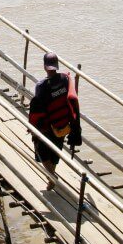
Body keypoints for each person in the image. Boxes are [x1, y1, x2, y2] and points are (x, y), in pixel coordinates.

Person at [29, 52, 82, 190]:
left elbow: (37, 109)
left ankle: (51, 176)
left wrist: (33, 129)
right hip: (63, 125)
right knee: (55, 152)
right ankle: (52, 175)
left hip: (47, 127)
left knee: (41, 150)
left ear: (45, 67)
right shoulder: (65, 79)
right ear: (57, 66)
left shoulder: (41, 86)